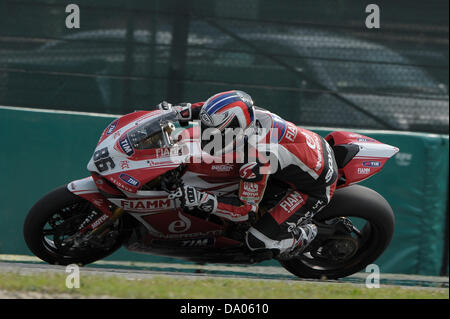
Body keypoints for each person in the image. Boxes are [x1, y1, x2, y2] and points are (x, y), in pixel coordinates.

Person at [159, 90, 338, 257]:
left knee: (257, 241)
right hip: (306, 153)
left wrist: (201, 199)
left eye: (213, 133)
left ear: (234, 130)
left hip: (315, 187)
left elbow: (244, 211)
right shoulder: (249, 115)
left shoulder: (257, 157)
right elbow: (214, 111)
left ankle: (306, 235)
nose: (206, 135)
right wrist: (180, 111)